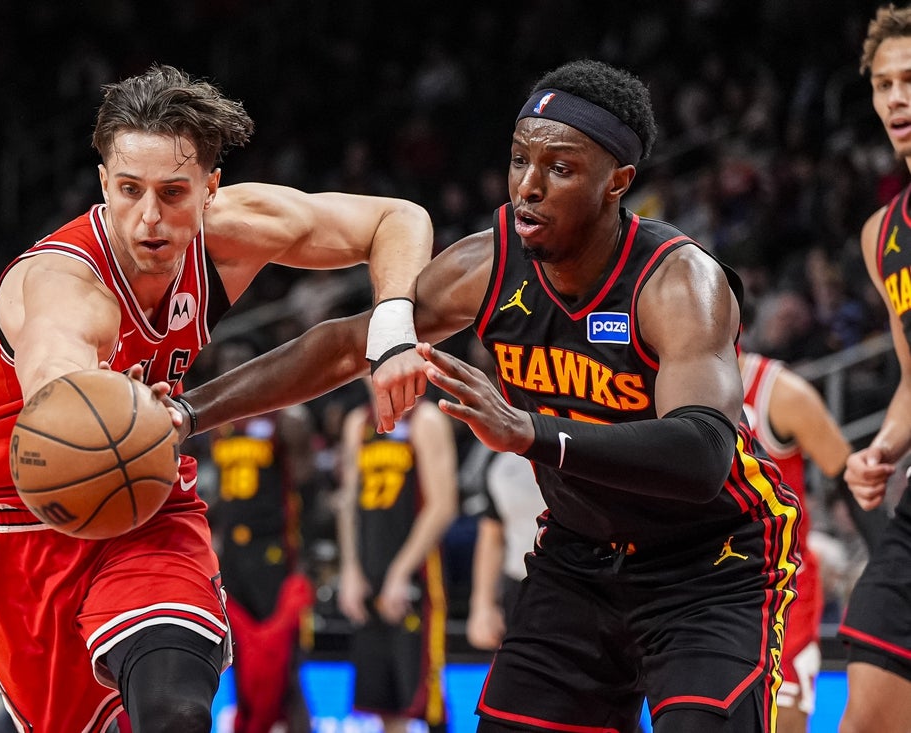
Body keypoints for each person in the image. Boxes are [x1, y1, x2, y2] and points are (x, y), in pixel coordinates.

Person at [181, 59, 801, 732]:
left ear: (617, 182)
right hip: (581, 554)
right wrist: (185, 413)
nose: (528, 185)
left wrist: (528, 431)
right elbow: (343, 345)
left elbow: (702, 453)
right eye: (519, 160)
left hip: (709, 561)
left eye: (559, 168)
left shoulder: (679, 281)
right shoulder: (489, 263)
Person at [0, 63, 434, 733]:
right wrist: (87, 403)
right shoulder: (64, 282)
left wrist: (393, 326)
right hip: (26, 521)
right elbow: (54, 369)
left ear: (210, 189)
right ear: (103, 185)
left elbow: (395, 219)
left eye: (173, 193)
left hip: (146, 495)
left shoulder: (231, 231)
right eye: (129, 190)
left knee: (176, 709)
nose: (150, 217)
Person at [836, 7, 911, 730]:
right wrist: (884, 447)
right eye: (884, 84)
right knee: (867, 713)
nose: (896, 98)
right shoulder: (882, 234)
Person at [204, 336, 316, 733]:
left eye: (240, 360)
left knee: (285, 668)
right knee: (240, 661)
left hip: (274, 552)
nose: (231, 368)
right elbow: (226, 494)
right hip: (233, 556)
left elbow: (306, 485)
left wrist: (306, 557)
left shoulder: (285, 417)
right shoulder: (220, 424)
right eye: (225, 361)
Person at [738, 349, 852, 733]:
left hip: (779, 585)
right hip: (698, 580)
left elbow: (849, 474)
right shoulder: (657, 382)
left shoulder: (782, 392)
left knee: (781, 718)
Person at [335, 385, 459, 733]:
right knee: (383, 704)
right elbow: (348, 503)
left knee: (427, 703)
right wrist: (350, 570)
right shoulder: (358, 422)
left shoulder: (426, 418)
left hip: (417, 574)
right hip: (369, 570)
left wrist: (400, 572)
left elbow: (443, 506)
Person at [464, 451, 540, 652]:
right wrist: (482, 605)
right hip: (520, 587)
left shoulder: (577, 448)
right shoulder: (499, 460)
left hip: (580, 585)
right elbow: (492, 534)